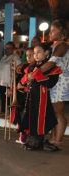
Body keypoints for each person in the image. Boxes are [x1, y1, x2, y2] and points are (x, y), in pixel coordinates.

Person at [18, 43, 62, 151]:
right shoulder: (31, 66)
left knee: (40, 119)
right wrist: (23, 81)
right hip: (31, 97)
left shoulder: (53, 68)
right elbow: (23, 80)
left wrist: (35, 75)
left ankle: (37, 142)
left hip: (42, 98)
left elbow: (50, 83)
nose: (36, 55)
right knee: (30, 118)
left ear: (46, 53)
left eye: (39, 52)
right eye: (34, 53)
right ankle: (31, 141)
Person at [47, 19, 69, 147]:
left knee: (58, 111)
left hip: (62, 81)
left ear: (62, 33)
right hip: (55, 81)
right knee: (54, 111)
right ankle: (54, 137)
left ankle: (58, 140)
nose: (50, 33)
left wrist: (34, 73)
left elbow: (51, 63)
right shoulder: (56, 45)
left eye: (53, 31)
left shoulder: (63, 45)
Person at [0, 42, 21, 116]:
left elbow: (18, 70)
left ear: (13, 49)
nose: (6, 50)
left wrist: (14, 82)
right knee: (3, 98)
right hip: (2, 81)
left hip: (10, 82)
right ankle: (3, 111)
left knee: (9, 99)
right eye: (5, 48)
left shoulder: (16, 58)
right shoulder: (4, 57)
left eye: (9, 48)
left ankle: (11, 114)